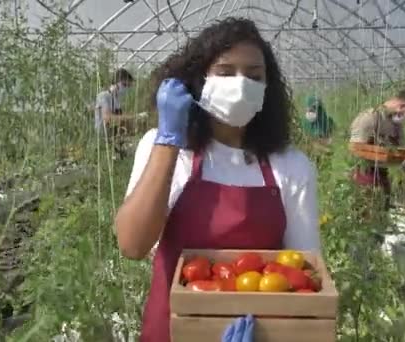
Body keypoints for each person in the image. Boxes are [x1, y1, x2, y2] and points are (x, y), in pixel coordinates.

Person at [114, 18, 321, 342]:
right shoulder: (167, 150)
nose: (240, 85)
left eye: (254, 76)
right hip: (171, 330)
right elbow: (132, 244)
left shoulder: (291, 167)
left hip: (257, 333)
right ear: (199, 81)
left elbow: (304, 277)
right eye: (225, 72)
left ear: (267, 89)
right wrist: (169, 140)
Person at [349, 87, 405, 208]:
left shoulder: (397, 127)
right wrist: (380, 153)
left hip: (382, 179)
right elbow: (354, 151)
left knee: (382, 219)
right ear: (402, 106)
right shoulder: (369, 118)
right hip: (363, 178)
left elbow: (404, 159)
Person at [94, 68, 134, 158]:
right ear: (117, 83)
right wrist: (129, 117)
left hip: (113, 136)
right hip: (103, 137)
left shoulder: (116, 99)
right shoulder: (103, 96)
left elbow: (119, 119)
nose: (126, 88)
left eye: (128, 86)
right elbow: (107, 117)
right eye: (125, 85)